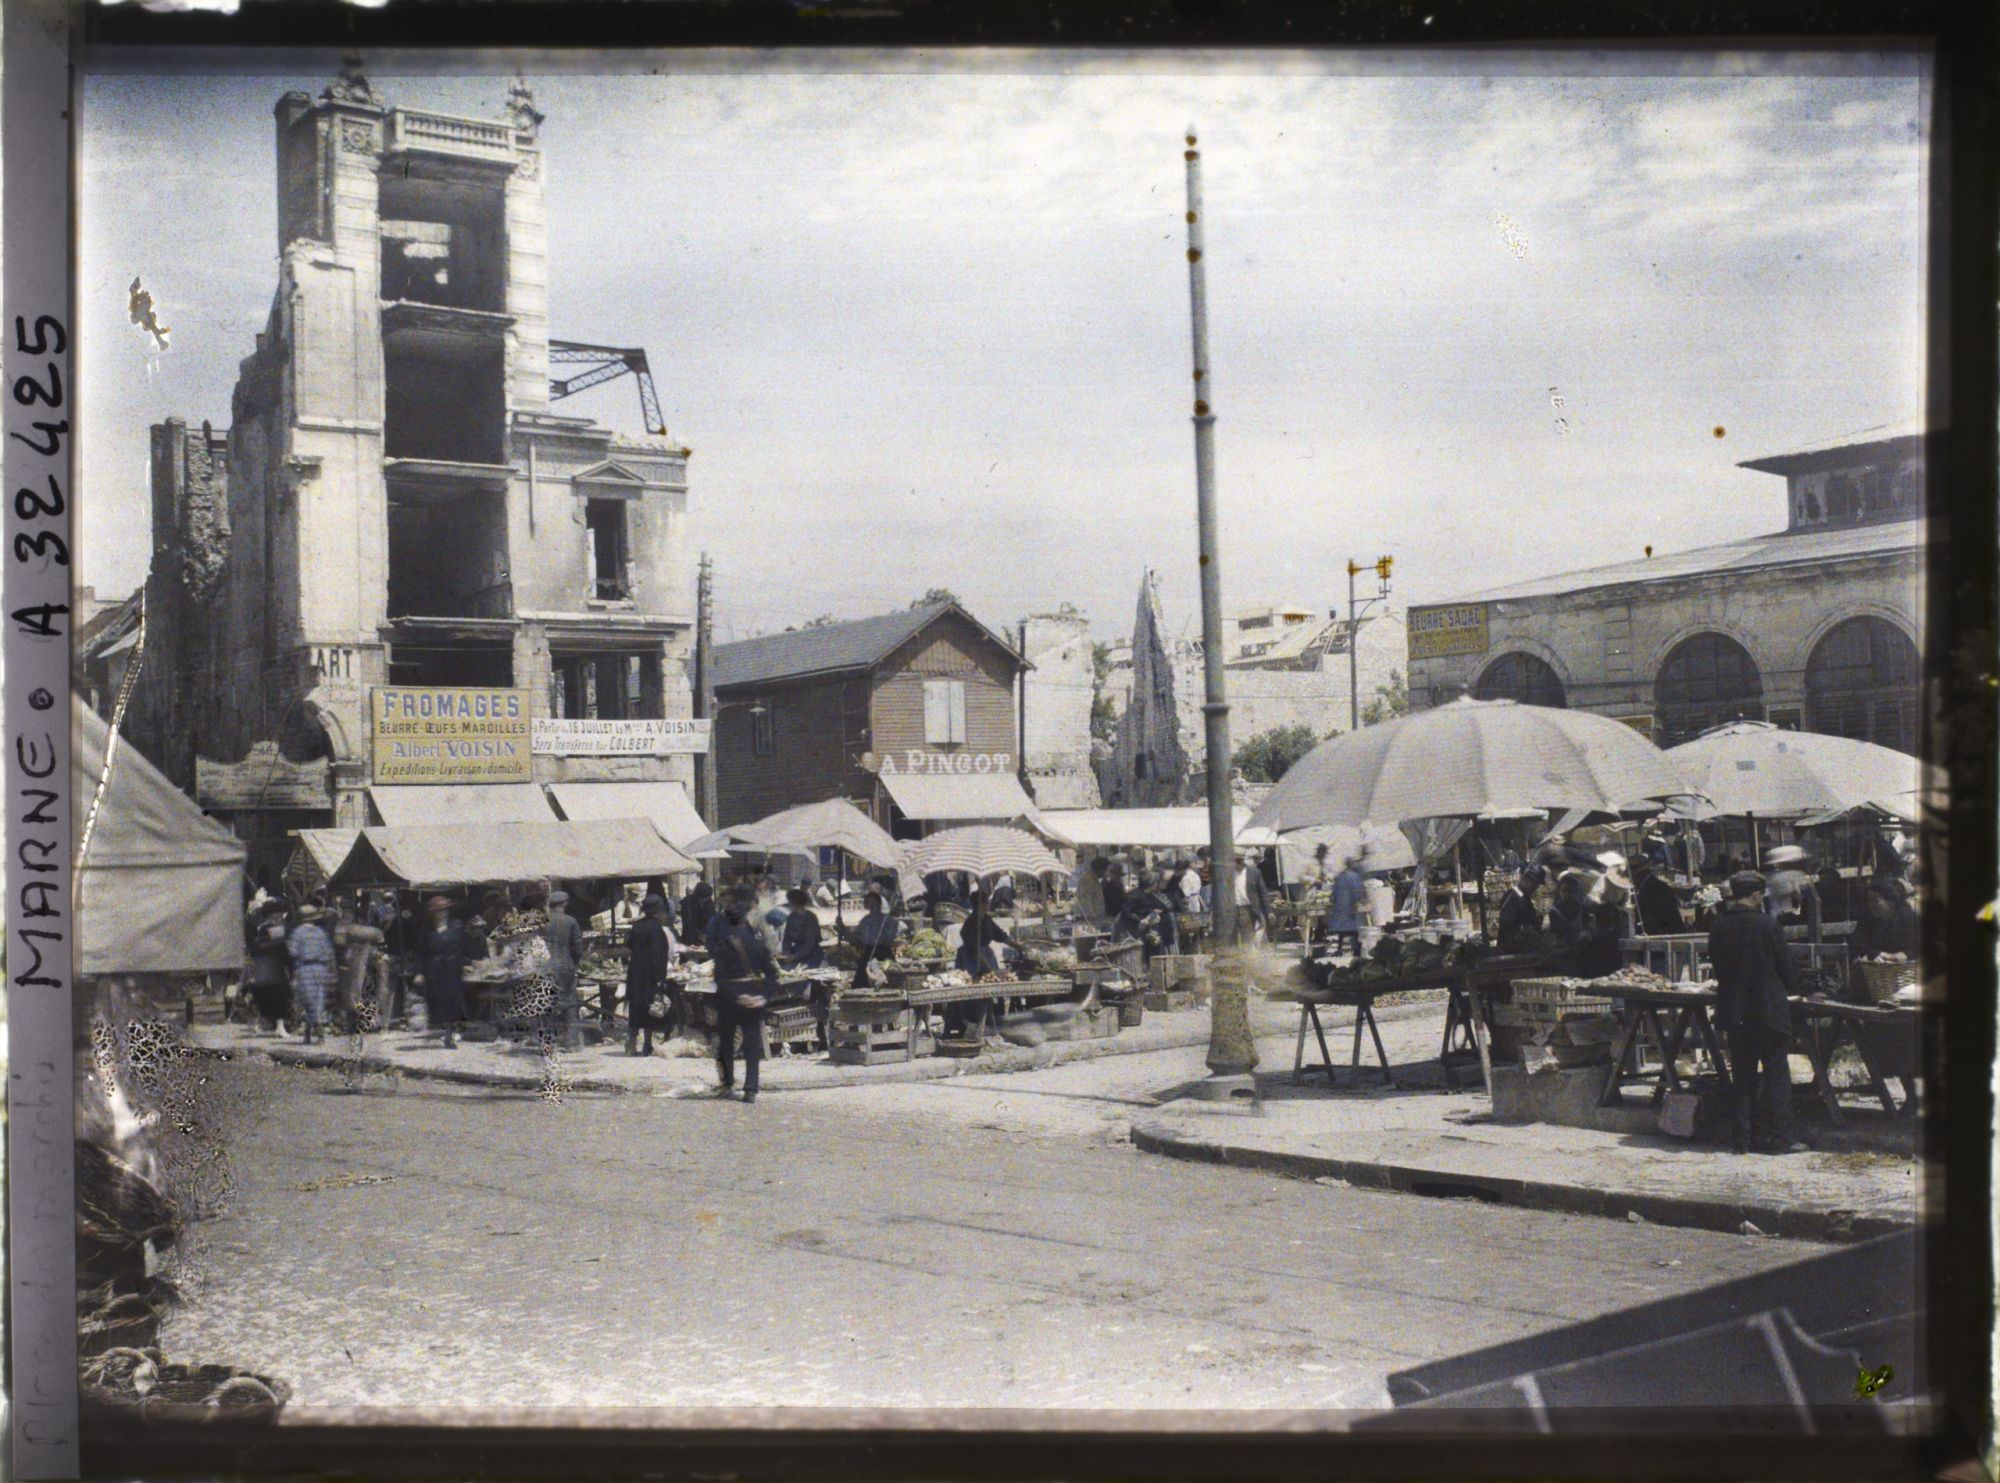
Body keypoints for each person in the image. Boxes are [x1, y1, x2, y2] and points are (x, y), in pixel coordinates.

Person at [1707, 870, 1806, 1155]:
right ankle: (1781, 1138)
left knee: (1742, 1075)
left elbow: (1719, 967)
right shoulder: (1767, 924)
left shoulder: (1718, 926)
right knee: (1776, 1073)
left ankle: (1742, 1140)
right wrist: (1799, 987)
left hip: (1735, 1010)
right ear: (1755, 895)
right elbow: (1786, 965)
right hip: (1767, 1009)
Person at [706, 884, 778, 1102]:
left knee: (726, 1043)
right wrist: (762, 997)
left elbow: (719, 977)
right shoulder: (758, 946)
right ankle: (750, 1089)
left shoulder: (724, 947)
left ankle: (728, 1083)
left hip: (730, 999)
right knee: (752, 1045)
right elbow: (772, 974)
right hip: (754, 997)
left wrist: (736, 996)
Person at [413, 895, 471, 1049]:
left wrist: (467, 962)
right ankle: (442, 1031)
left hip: (453, 968)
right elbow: (420, 953)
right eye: (439, 911)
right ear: (433, 913)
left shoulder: (457, 925)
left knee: (453, 1001)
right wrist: (419, 972)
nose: (442, 913)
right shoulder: (426, 930)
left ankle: (449, 1035)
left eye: (445, 910)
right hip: (433, 969)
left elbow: (464, 946)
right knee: (437, 1001)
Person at [625, 894, 675, 1056]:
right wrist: (660, 978)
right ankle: (647, 1044)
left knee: (635, 1007)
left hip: (635, 972)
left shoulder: (637, 926)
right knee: (650, 1007)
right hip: (650, 975)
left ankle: (631, 1044)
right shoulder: (656, 929)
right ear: (658, 911)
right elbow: (658, 955)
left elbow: (629, 945)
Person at [286, 903, 336, 1045]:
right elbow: (329, 953)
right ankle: (308, 1033)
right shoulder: (321, 933)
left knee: (308, 1001)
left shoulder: (297, 933)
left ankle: (319, 1033)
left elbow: (292, 952)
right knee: (318, 1000)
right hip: (321, 968)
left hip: (305, 968)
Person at [243, 901, 293, 1032]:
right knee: (278, 995)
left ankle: (271, 1023)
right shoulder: (272, 927)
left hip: (266, 965)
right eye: (277, 915)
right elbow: (280, 945)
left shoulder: (262, 927)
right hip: (272, 966)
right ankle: (277, 1025)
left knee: (268, 996)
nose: (279, 918)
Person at [1849, 880, 1920, 962]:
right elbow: (1856, 942)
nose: (1871, 905)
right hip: (1876, 966)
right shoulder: (1868, 917)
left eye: (1875, 901)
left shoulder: (1909, 918)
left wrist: (1903, 955)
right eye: (1869, 900)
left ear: (1891, 902)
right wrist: (1877, 953)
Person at [847, 890, 901, 989]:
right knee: (862, 983)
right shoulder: (865, 921)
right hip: (869, 952)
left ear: (879, 904)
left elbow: (893, 934)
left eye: (874, 903)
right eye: (869, 903)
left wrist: (882, 936)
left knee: (888, 979)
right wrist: (843, 930)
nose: (872, 906)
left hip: (884, 952)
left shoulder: (888, 920)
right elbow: (856, 937)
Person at [956, 888, 1013, 976]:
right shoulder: (971, 921)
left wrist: (1017, 946)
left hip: (986, 955)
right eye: (987, 902)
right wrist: (987, 967)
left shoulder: (986, 919)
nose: (989, 904)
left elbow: (999, 934)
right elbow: (973, 947)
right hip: (972, 959)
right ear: (981, 904)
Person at [1629, 854, 1686, 936]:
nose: (1630, 880)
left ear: (1639, 874)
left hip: (1664, 935)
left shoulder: (1652, 888)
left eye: (1631, 876)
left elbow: (1653, 920)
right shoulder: (1652, 885)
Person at [1496, 865, 1546, 953]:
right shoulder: (1513, 896)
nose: (1535, 887)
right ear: (1526, 879)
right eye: (1535, 883)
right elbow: (1509, 927)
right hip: (1511, 950)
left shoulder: (1522, 896)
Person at [1324, 856, 1367, 958]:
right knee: (1354, 929)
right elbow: (1357, 891)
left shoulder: (1340, 876)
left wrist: (1333, 900)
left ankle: (1340, 949)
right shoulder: (1354, 876)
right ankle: (1356, 950)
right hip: (1350, 905)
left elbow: (1334, 891)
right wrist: (1361, 900)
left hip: (1340, 906)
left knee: (1342, 930)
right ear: (1352, 865)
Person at [779, 887, 826, 969]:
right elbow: (787, 938)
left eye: (789, 901)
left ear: (794, 902)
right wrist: (786, 952)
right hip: (796, 951)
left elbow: (809, 943)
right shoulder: (791, 917)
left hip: (812, 954)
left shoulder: (810, 918)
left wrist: (795, 957)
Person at [1242, 851, 1270, 939]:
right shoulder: (1233, 873)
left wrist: (1268, 910)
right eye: (1254, 859)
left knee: (1259, 929)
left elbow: (1263, 891)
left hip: (1253, 907)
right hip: (1240, 907)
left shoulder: (1255, 872)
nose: (1256, 862)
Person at [1075, 856, 1109, 925]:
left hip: (1096, 919)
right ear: (1101, 870)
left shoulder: (1094, 880)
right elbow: (1086, 904)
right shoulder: (1087, 881)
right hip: (1090, 921)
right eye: (1106, 870)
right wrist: (1093, 921)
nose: (1106, 873)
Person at [681, 879, 715, 945]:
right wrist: (698, 934)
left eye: (707, 898)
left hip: (706, 936)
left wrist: (707, 932)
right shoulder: (688, 902)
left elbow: (712, 917)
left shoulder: (709, 902)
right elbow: (688, 922)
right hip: (690, 937)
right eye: (702, 898)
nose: (705, 900)